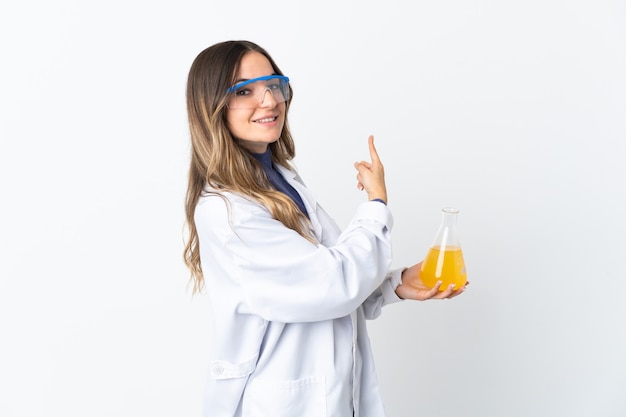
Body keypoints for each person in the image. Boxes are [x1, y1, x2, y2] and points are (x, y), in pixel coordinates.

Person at [183, 40, 468, 417]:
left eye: (272, 84)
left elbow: (321, 272)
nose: (268, 100)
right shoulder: (228, 210)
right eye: (245, 90)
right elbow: (332, 284)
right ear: (211, 107)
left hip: (326, 395)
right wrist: (377, 205)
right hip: (283, 402)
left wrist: (395, 283)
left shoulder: (279, 177)